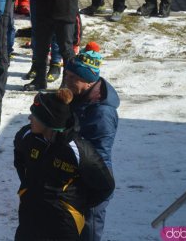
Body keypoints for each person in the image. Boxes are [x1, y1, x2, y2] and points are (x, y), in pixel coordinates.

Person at [13, 89, 115, 240]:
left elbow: (105, 186)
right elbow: (20, 160)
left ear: (48, 122)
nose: (29, 118)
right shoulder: (26, 136)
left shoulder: (78, 150)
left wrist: (73, 204)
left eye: (34, 115)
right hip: (30, 214)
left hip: (63, 223)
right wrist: (28, 188)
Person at [64, 42, 120, 241]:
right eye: (67, 76)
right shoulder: (79, 97)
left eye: (74, 78)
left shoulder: (101, 112)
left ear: (88, 82)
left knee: (87, 233)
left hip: (93, 184)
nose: (67, 82)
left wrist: (91, 189)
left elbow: (98, 156)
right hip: (74, 177)